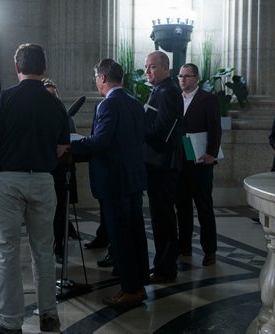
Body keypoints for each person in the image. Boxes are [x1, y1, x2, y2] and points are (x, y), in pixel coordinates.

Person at [0, 43, 69, 333]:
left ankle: (10, 320)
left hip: (9, 181)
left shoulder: (4, 99)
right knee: (43, 250)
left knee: (6, 252)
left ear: (17, 67)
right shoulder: (55, 103)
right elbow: (63, 146)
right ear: (44, 68)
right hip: (42, 180)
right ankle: (49, 315)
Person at [72, 58, 149, 306]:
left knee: (120, 237)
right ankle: (138, 283)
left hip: (114, 182)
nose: (95, 82)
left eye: (96, 77)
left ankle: (130, 289)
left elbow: (101, 141)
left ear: (103, 78)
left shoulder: (107, 105)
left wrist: (71, 145)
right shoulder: (136, 104)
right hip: (133, 179)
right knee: (135, 234)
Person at [175, 63, 222, 266]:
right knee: (182, 206)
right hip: (182, 157)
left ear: (196, 78)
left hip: (202, 158)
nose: (183, 80)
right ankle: (184, 246)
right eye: (180, 76)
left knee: (204, 206)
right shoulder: (177, 98)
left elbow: (215, 128)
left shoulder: (207, 98)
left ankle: (209, 250)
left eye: (187, 76)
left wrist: (212, 153)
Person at [143, 51, 183, 283]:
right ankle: (161, 265)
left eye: (152, 67)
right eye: (146, 67)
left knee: (164, 219)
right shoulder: (160, 90)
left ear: (166, 68)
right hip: (156, 164)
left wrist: (137, 128)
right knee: (159, 218)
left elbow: (162, 131)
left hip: (163, 165)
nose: (148, 71)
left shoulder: (168, 91)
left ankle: (166, 269)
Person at [42, 77, 79, 263]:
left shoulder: (66, 117)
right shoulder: (36, 117)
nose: (52, 99)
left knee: (60, 213)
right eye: (47, 95)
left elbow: (70, 141)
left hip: (60, 172)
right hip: (42, 173)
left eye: (54, 95)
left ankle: (59, 247)